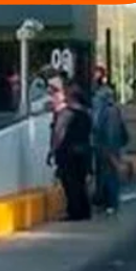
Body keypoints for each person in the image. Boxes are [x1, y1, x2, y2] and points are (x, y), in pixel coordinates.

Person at [49, 86, 93, 221]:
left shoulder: (66, 113)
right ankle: (85, 210)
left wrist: (52, 150)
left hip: (68, 153)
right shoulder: (86, 113)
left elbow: (58, 133)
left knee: (70, 183)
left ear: (72, 97)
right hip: (84, 151)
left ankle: (74, 211)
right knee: (80, 182)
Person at [91, 84, 129, 215]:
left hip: (108, 149)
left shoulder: (109, 111)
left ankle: (111, 203)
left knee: (110, 176)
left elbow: (110, 134)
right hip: (103, 149)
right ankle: (105, 201)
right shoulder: (104, 111)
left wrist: (111, 153)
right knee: (104, 176)